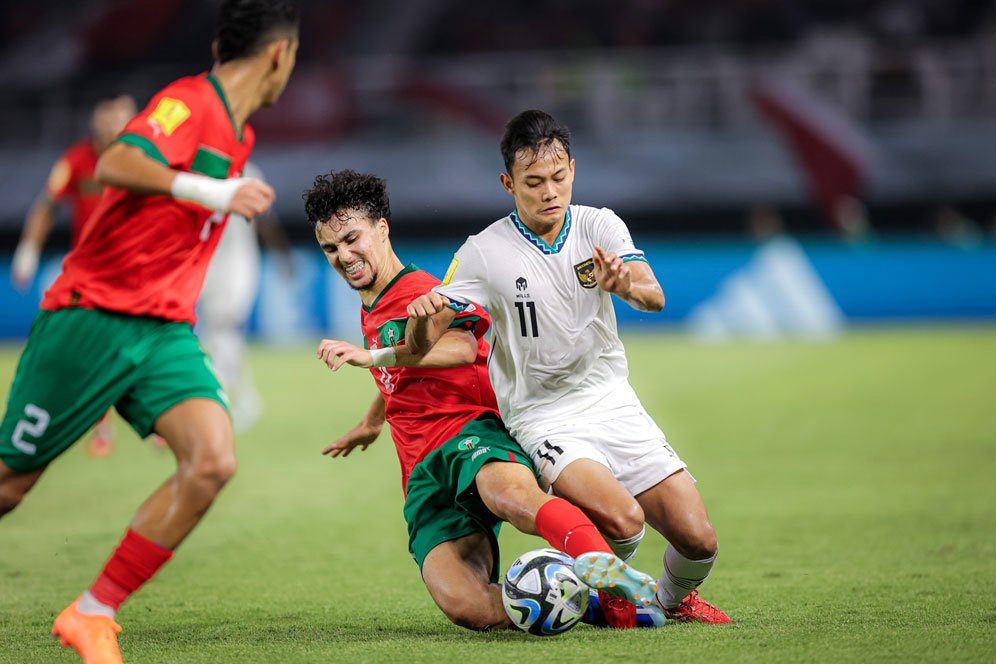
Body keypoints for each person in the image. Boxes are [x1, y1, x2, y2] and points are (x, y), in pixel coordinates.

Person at [0, 2, 300, 662]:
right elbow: (119, 164)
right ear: (280, 56)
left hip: (163, 331)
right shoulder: (187, 102)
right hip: (93, 316)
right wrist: (214, 193)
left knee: (213, 460)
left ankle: (92, 611)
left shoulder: (241, 137)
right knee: (10, 486)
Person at [407, 109, 731, 624]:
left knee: (699, 539)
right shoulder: (483, 252)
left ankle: (667, 603)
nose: (549, 192)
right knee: (624, 522)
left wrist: (624, 285)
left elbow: (654, 296)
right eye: (533, 182)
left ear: (573, 170)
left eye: (558, 178)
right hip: (543, 416)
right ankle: (589, 599)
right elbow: (422, 342)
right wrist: (422, 317)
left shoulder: (599, 225)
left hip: (611, 399)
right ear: (507, 183)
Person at [304, 169, 661, 631]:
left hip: (468, 431)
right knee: (467, 606)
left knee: (511, 497)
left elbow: (465, 346)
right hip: (422, 471)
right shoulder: (373, 300)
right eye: (331, 248)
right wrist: (374, 419)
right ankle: (593, 608)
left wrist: (368, 356)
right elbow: (397, 374)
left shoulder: (423, 294)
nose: (344, 256)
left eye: (352, 239)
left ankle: (602, 572)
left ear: (382, 228)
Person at [11, 94, 137, 458]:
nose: (116, 123)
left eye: (124, 116)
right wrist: (28, 250)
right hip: (92, 273)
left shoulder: (144, 159)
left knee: (139, 344)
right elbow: (46, 204)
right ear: (97, 118)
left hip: (136, 269)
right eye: (110, 115)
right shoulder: (77, 160)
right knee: (92, 349)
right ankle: (100, 426)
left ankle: (163, 418)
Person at [198, 160, 293, 433]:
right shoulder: (198, 171)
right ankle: (246, 398)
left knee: (223, 328)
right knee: (217, 334)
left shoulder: (248, 172)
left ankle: (222, 399)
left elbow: (266, 221)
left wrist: (282, 255)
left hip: (239, 264)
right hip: (207, 266)